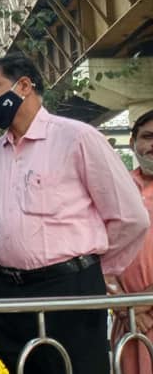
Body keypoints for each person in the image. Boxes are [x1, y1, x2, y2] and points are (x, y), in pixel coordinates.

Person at [0, 54, 149, 373]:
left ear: (24, 86)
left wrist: (96, 268)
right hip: (7, 290)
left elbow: (130, 217)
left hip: (68, 288)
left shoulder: (76, 137)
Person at [111, 109, 153, 374]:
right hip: (129, 320)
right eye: (148, 137)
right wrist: (124, 306)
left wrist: (145, 302)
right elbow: (98, 248)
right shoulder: (117, 186)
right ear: (133, 142)